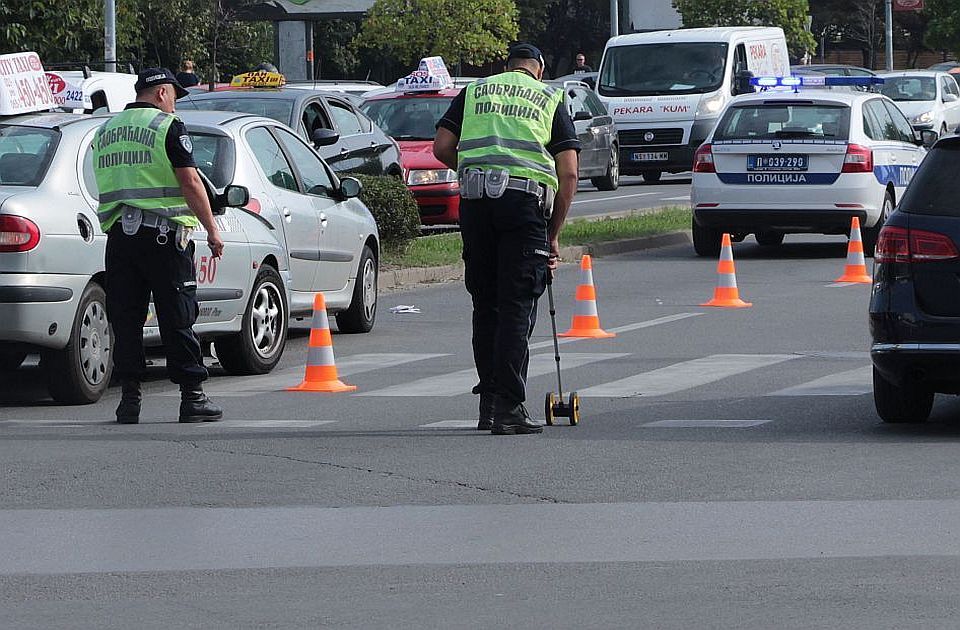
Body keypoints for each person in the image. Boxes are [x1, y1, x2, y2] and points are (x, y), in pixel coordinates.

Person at [433, 43, 580, 435]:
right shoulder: (548, 96)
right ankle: (509, 408)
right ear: (540, 70)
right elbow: (568, 174)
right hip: (523, 205)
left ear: (505, 66)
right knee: (516, 305)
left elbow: (441, 148)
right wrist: (552, 234)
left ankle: (488, 405)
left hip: (475, 203)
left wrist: (474, 168)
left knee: (486, 303)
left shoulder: (476, 91)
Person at [92, 68, 225, 424]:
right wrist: (212, 229)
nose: (175, 106)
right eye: (175, 98)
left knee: (126, 318)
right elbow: (190, 180)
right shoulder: (166, 127)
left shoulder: (105, 131)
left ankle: (129, 399)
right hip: (164, 238)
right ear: (163, 93)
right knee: (178, 316)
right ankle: (192, 397)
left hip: (120, 238)